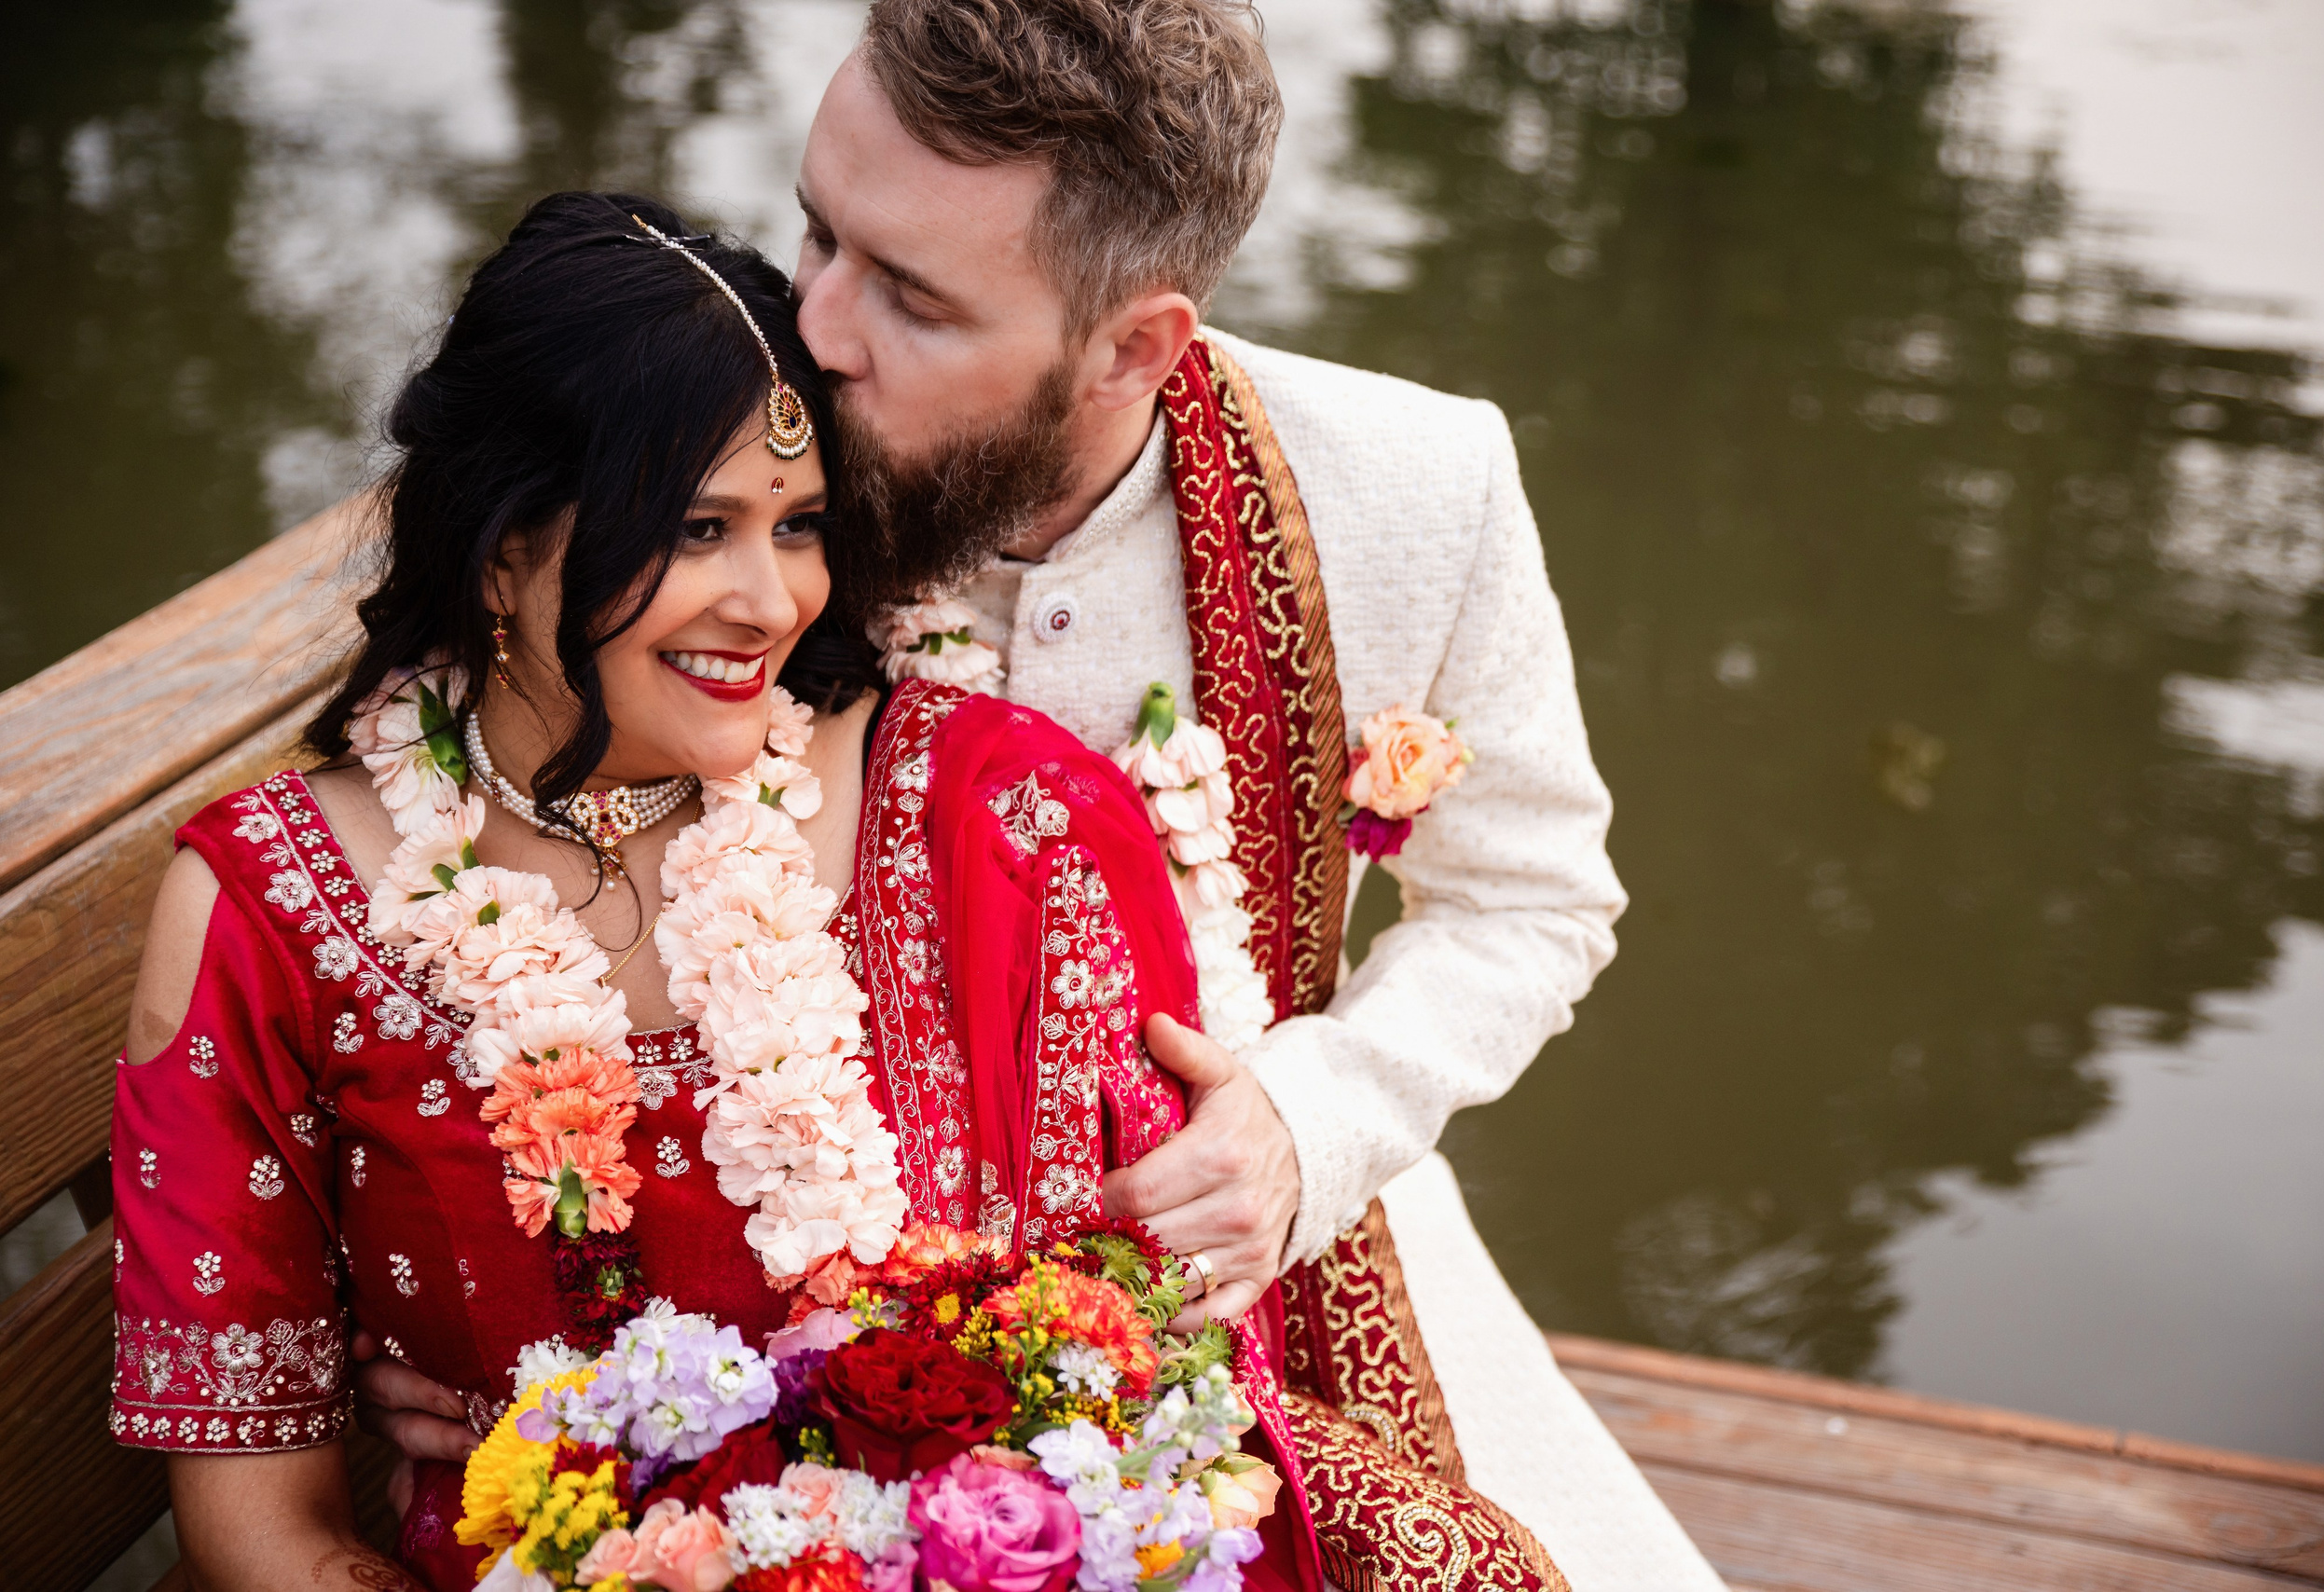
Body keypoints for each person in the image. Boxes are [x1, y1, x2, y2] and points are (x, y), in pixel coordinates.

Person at [362, 5, 1727, 1587]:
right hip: (755, 1337)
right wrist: (489, 1307)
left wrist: (1308, 1126)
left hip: (1252, 1270)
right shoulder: (704, 476)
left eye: (914, 299)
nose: (816, 331)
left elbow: (1533, 900)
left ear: (1136, 347)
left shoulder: (1418, 491)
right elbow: (491, 824)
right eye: (819, 231)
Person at [113, 190, 1368, 1590]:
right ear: (501, 547)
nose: (771, 602)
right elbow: (262, 1525)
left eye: (800, 524)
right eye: (700, 528)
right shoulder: (275, 910)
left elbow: (1147, 1391)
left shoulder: (996, 819)